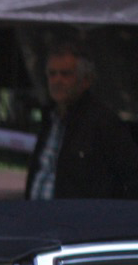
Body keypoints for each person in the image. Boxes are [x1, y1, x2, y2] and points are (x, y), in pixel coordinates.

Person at [27, 42, 138, 200]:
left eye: (66, 74)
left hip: (76, 214)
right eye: (52, 74)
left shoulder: (103, 123)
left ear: (85, 80)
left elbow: (130, 176)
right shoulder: (49, 119)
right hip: (35, 212)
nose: (57, 80)